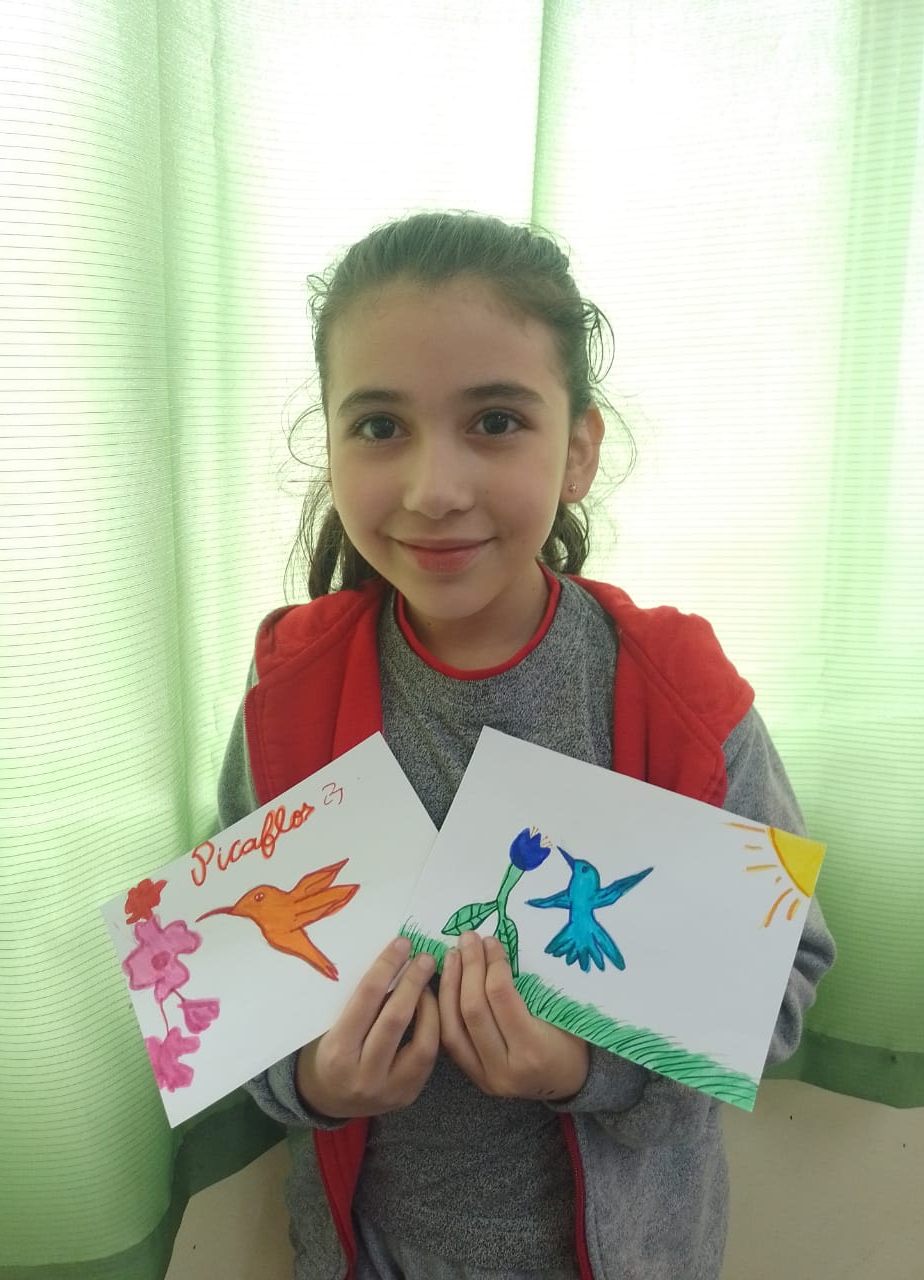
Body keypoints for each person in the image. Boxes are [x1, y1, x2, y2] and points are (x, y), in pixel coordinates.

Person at [217, 210, 836, 1280]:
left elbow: (780, 977)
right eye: (380, 425)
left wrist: (587, 1067)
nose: (435, 488)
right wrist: (315, 1082)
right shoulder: (290, 694)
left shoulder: (678, 698)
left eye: (495, 420)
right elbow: (238, 983)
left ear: (579, 449)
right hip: (367, 1253)